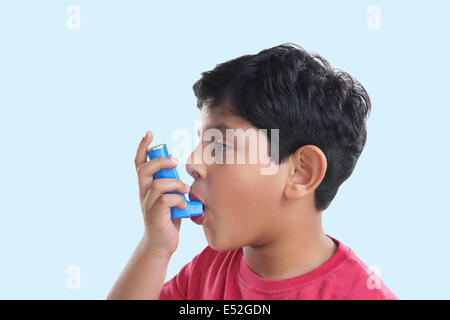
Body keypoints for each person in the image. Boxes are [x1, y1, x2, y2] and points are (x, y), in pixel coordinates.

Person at [106, 43, 398, 300]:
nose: (192, 162)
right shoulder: (205, 272)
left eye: (219, 145)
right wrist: (155, 247)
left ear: (301, 172)